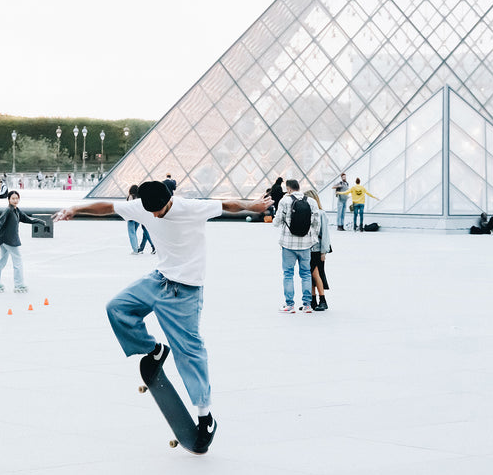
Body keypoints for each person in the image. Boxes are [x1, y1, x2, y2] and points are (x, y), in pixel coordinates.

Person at [53, 180, 270, 454]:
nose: (155, 215)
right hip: (158, 279)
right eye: (151, 212)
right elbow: (107, 207)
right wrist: (76, 208)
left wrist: (254, 205)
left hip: (186, 292)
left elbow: (228, 204)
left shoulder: (192, 207)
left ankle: (206, 417)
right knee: (117, 307)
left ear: (170, 200)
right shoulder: (143, 207)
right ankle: (153, 350)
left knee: (190, 352)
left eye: (160, 210)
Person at [276, 179, 321, 313]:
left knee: (288, 274)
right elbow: (316, 224)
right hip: (306, 245)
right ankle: (307, 305)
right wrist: (312, 240)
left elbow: (277, 221)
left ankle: (290, 305)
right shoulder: (311, 202)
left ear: (288, 189)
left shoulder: (284, 201)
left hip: (288, 244)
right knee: (306, 274)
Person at [0, 191, 46, 292]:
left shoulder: (16, 210)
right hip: (9, 240)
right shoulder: (8, 210)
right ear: (9, 200)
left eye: (16, 198)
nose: (15, 200)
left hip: (6, 239)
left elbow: (27, 219)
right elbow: (0, 221)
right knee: (18, 261)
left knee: (2, 261)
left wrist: (39, 221)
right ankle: (19, 285)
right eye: (13, 198)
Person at [304, 189, 332, 311]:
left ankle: (322, 300)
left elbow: (325, 234)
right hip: (309, 248)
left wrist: (324, 252)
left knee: (316, 274)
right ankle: (313, 300)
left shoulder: (321, 214)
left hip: (317, 249)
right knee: (310, 275)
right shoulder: (308, 213)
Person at [125, 185, 156, 255]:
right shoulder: (141, 197)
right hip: (139, 217)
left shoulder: (131, 196)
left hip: (131, 217)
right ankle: (142, 248)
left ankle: (135, 249)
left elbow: (129, 207)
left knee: (132, 233)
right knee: (144, 231)